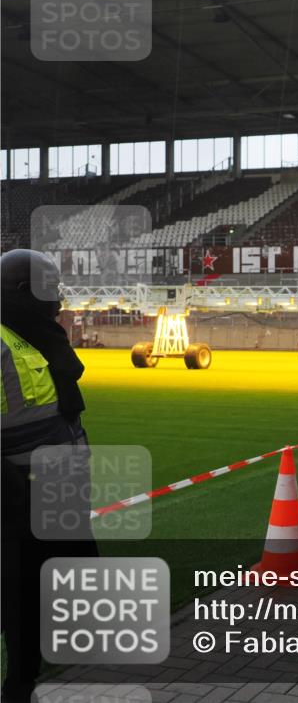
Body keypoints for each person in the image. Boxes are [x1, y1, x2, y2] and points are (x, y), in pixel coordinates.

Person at [1, 249, 98, 703]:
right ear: (22, 292)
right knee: (20, 596)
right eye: (49, 288)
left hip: (62, 493)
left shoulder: (38, 333)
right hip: (17, 503)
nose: (57, 299)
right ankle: (20, 686)